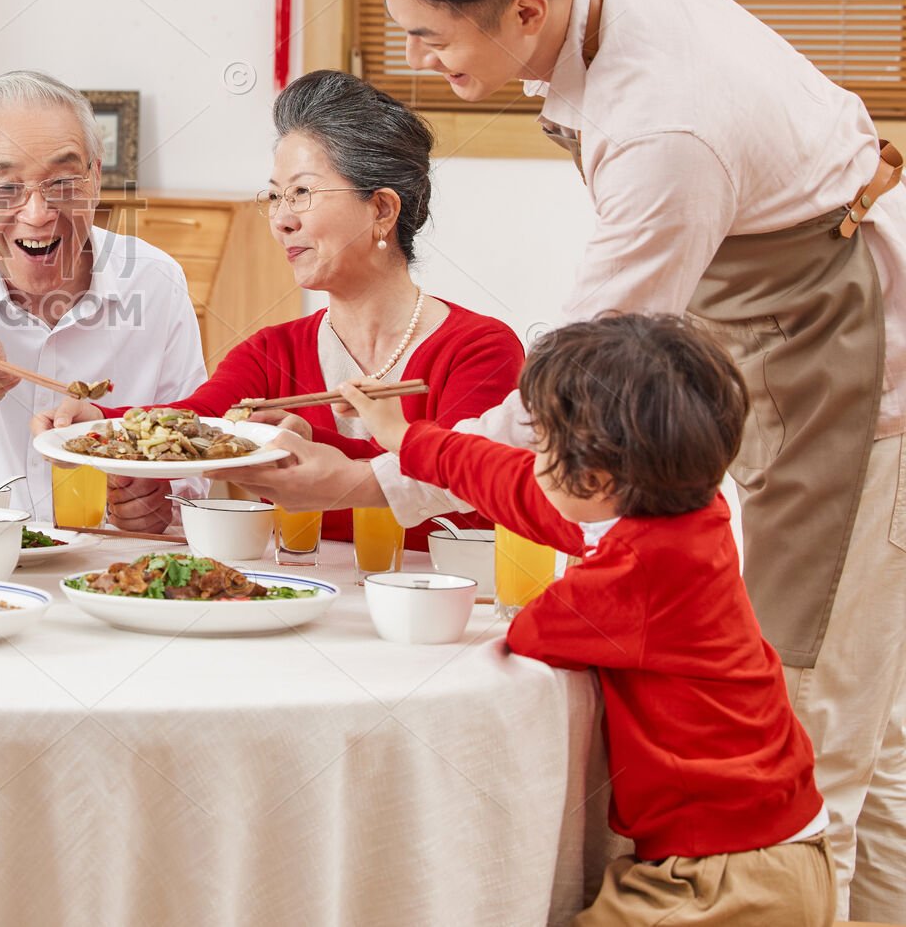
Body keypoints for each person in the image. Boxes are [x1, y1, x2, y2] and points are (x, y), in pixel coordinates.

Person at [251, 0, 906, 919]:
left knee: (815, 728)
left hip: (835, 353)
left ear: (521, 9)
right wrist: (406, 458)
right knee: (867, 725)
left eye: (430, 36)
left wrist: (375, 478)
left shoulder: (665, 137)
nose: (414, 58)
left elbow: (562, 385)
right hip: (784, 312)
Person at [338, 313, 832, 926]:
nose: (532, 458)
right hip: (772, 847)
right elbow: (510, 481)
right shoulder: (684, 512)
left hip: (721, 877)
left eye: (542, 443)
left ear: (597, 477)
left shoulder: (637, 570)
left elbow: (531, 632)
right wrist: (408, 441)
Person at [32, 70, 522, 538]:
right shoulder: (271, 353)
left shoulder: (479, 349)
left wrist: (320, 445)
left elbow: (473, 496)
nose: (280, 220)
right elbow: (192, 421)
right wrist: (101, 423)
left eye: (302, 193)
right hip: (292, 600)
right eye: (274, 196)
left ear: (382, 209)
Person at [0, 71, 205, 521]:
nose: (36, 214)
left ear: (95, 177)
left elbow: (191, 442)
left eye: (63, 182)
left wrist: (160, 498)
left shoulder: (155, 280)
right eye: (7, 187)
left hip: (96, 563)